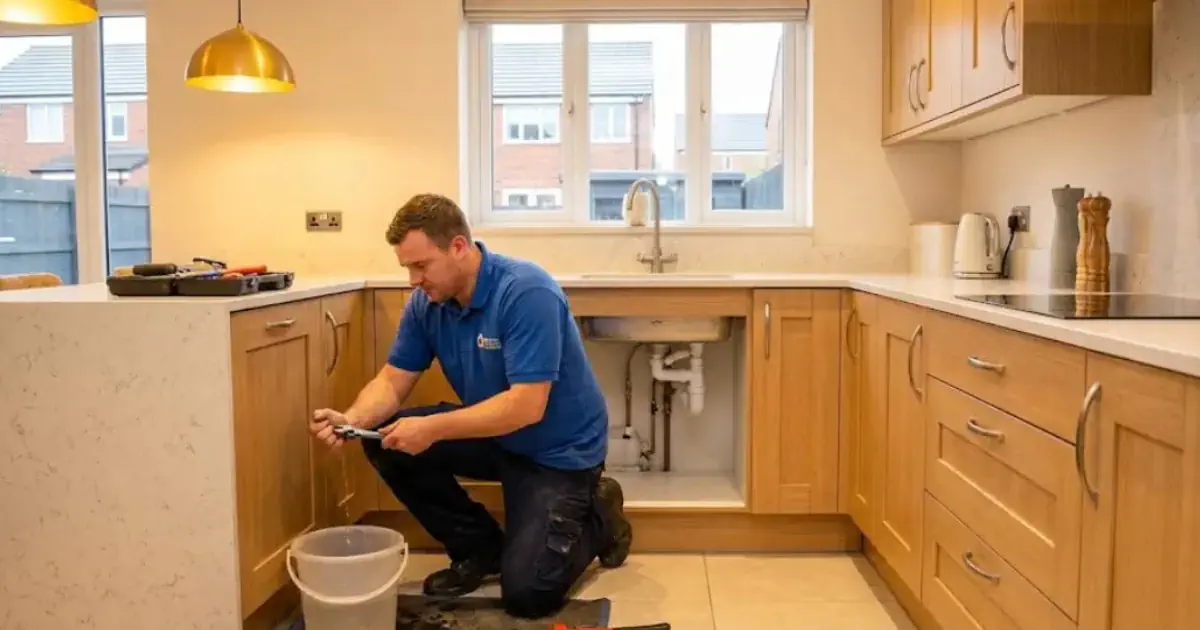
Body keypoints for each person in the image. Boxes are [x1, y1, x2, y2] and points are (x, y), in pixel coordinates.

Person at [308, 193, 632, 619]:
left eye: (421, 266)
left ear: (459, 247)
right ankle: (479, 550)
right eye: (407, 267)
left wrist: (433, 429)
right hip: (495, 435)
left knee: (529, 595)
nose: (412, 280)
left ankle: (599, 515)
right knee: (385, 439)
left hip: (558, 452)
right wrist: (352, 421)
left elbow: (526, 407)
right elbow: (392, 380)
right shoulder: (427, 304)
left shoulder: (525, 292)